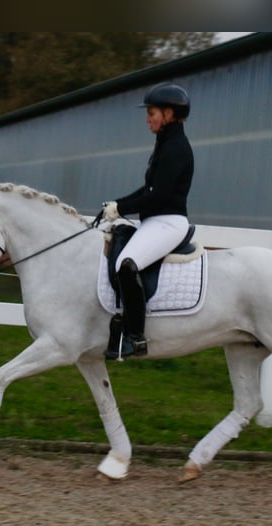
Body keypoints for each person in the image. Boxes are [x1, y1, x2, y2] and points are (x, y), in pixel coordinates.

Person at [101, 82, 194, 360]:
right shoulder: (166, 143)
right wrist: (118, 204)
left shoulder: (176, 148)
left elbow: (158, 195)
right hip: (156, 220)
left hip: (168, 222)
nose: (147, 119)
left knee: (126, 265)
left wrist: (122, 208)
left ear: (167, 113)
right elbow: (148, 191)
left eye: (151, 113)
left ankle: (135, 336)